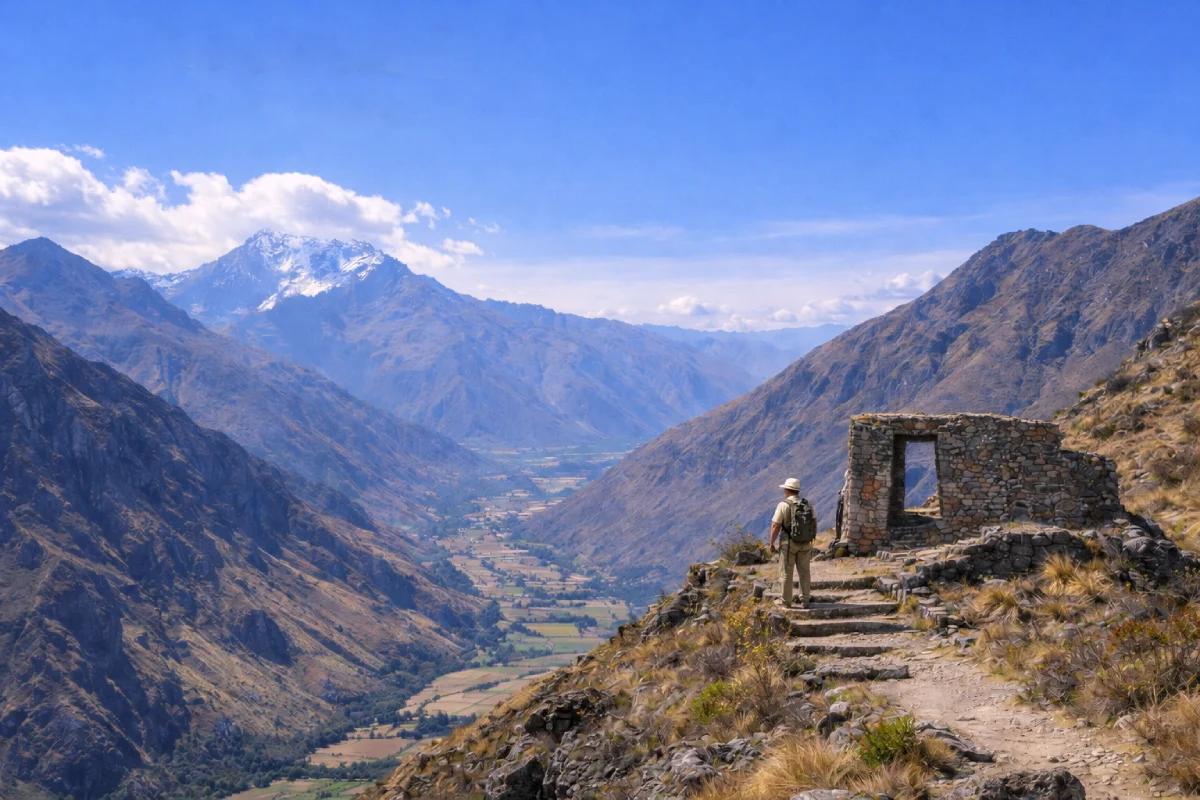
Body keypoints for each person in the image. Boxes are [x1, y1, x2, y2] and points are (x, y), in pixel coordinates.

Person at [768, 478, 817, 607]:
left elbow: (775, 526)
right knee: (804, 572)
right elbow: (814, 522)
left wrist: (771, 543)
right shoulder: (808, 504)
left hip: (788, 544)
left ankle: (786, 601)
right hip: (806, 543)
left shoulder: (783, 505)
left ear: (786, 490)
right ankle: (805, 599)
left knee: (786, 573)